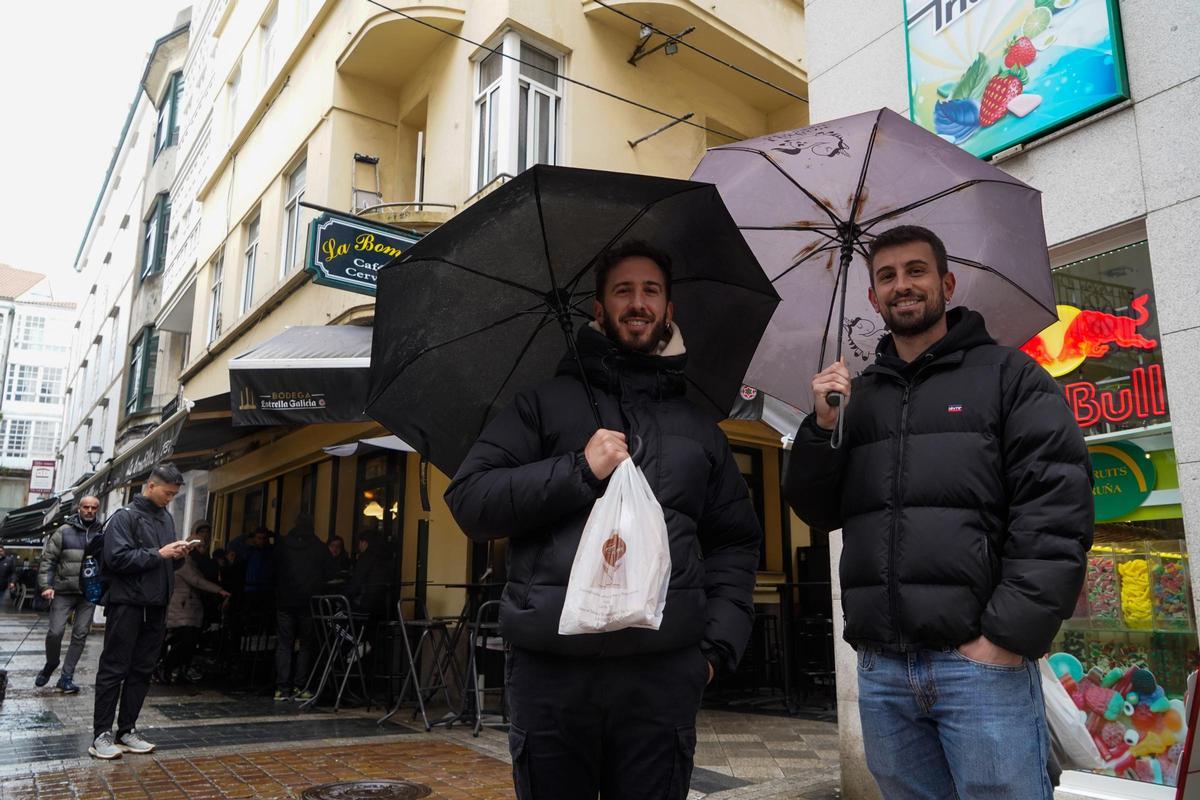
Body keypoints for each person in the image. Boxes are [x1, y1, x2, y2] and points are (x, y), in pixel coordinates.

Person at [783, 225, 1093, 800]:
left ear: (946, 282)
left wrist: (1006, 635)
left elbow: (1056, 510)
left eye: (916, 271)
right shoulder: (858, 396)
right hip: (883, 671)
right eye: (887, 276)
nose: (903, 286)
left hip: (979, 666)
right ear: (873, 298)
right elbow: (817, 508)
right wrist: (822, 428)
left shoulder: (1010, 377)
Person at [446, 240, 762, 800]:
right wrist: (578, 469)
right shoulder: (540, 406)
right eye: (623, 291)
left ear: (668, 310)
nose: (637, 303)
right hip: (552, 673)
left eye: (650, 291)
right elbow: (471, 500)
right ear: (598, 310)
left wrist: (713, 651)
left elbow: (734, 542)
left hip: (662, 675)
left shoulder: (700, 428)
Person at [90, 464, 195, 760]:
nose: (170, 499)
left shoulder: (166, 518)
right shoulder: (124, 517)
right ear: (150, 486)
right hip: (126, 604)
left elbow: (164, 563)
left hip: (157, 605)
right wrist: (159, 553)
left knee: (142, 670)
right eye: (167, 493)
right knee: (114, 668)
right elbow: (116, 558)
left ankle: (127, 730)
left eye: (175, 494)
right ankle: (101, 734)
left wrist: (177, 556)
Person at [35, 495, 104, 693]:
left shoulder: (102, 533)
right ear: (78, 508)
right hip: (64, 590)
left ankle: (66, 676)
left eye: (93, 508)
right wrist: (46, 586)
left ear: (97, 509)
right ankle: (51, 663)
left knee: (80, 634)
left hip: (88, 592)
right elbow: (48, 560)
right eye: (86, 507)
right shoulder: (63, 531)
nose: (89, 510)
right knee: (55, 632)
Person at [273, 514, 331, 701]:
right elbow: (330, 571)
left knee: (284, 644)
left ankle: (282, 689)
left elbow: (273, 569)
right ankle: (301, 687)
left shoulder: (282, 545)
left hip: (285, 601)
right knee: (306, 645)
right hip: (308, 602)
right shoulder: (319, 547)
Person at [162, 537, 229, 684]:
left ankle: (174, 669)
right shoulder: (185, 563)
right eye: (200, 547)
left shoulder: (189, 562)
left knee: (184, 640)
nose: (203, 550)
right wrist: (219, 590)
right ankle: (167, 667)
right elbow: (197, 581)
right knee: (186, 640)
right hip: (183, 609)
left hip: (183, 608)